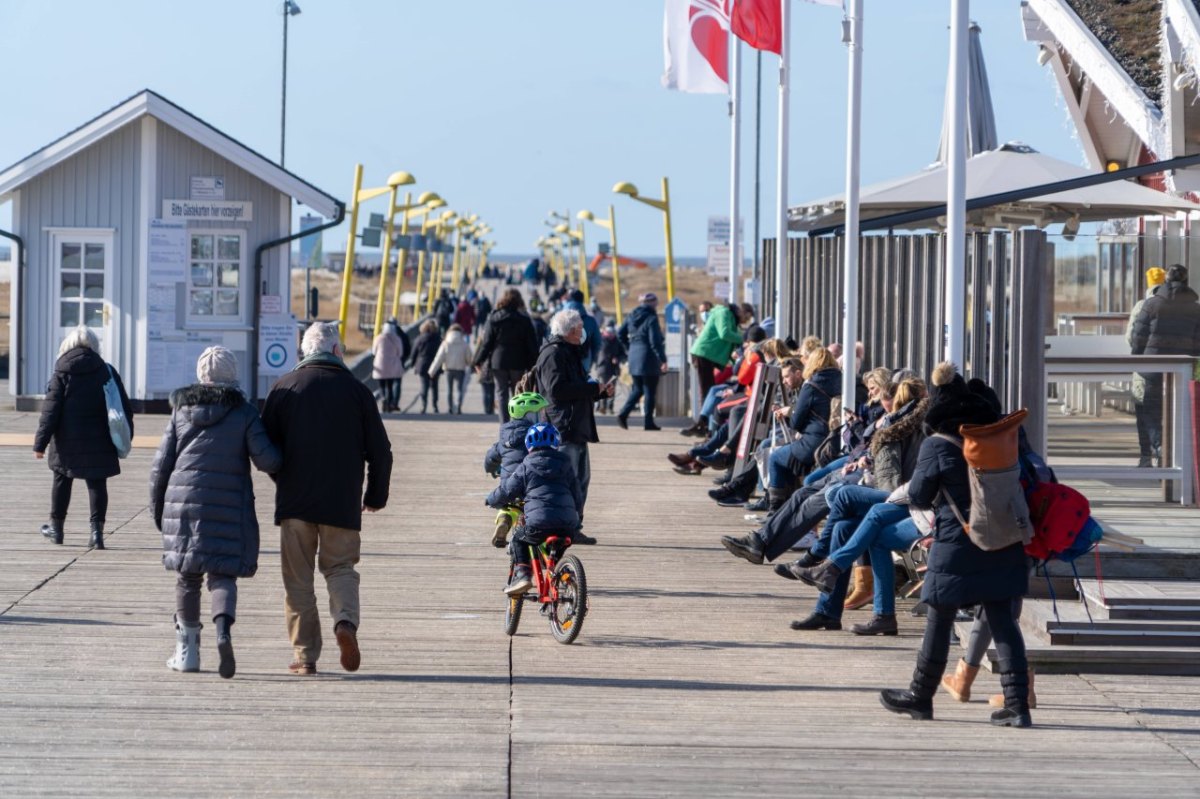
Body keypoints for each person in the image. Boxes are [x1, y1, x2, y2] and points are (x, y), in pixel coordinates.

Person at [879, 363, 1032, 728]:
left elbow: (918, 494)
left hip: (957, 542)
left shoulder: (937, 444)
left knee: (939, 616)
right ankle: (1017, 705)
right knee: (1004, 622)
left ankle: (920, 695)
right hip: (1003, 539)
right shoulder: (1000, 439)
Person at [261, 322, 393, 677]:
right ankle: (345, 623)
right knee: (341, 569)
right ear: (337, 352)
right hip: (341, 503)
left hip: (295, 503)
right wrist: (374, 496)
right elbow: (381, 452)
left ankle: (305, 656)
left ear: (303, 352)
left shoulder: (283, 387)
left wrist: (282, 477)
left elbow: (265, 449)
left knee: (298, 580)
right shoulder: (357, 392)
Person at [149, 347, 282, 679]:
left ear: (200, 376)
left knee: (188, 576)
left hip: (184, 505)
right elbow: (268, 460)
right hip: (228, 504)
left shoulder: (181, 411)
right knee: (222, 575)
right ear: (233, 376)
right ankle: (223, 632)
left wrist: (158, 509)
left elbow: (161, 466)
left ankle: (188, 653)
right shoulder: (245, 413)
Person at [33, 326, 134, 550]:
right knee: (97, 483)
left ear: (67, 345)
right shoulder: (106, 370)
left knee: (61, 479)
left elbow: (50, 411)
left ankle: (56, 530)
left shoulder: (62, 372)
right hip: (101, 437)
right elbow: (124, 406)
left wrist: (40, 444)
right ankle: (96, 534)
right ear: (94, 345)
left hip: (66, 439)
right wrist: (128, 436)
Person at [534, 308, 614, 543]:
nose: (582, 334)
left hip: (576, 426)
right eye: (579, 330)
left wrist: (599, 393)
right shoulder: (553, 355)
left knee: (580, 480)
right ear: (568, 331)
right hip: (562, 426)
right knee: (567, 482)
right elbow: (557, 390)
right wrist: (592, 389)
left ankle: (573, 526)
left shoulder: (569, 352)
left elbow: (576, 387)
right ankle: (564, 528)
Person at [487, 422, 582, 595]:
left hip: (538, 522)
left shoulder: (526, 465)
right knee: (555, 553)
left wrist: (491, 500)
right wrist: (578, 518)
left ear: (529, 444)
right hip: (568, 524)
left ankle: (523, 574)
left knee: (518, 539)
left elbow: (507, 490)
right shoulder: (566, 463)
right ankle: (563, 578)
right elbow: (577, 495)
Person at [1130, 264, 1200, 468]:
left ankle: (1160, 447)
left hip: (1152, 365)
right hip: (1182, 367)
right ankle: (1176, 457)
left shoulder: (1151, 304)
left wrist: (1138, 359)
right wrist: (1192, 361)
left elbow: (1138, 336)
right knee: (1180, 411)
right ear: (1186, 282)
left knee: (1151, 411)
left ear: (1166, 281)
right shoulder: (1195, 308)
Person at [484, 392, 549, 547]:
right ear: (529, 416)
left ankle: (504, 520)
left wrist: (491, 469)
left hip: (510, 486)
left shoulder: (505, 437)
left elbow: (491, 458)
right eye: (539, 413)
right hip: (535, 486)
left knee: (508, 506)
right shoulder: (539, 436)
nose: (543, 416)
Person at [474, 288, 541, 422]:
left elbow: (487, 342)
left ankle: (504, 425)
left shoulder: (494, 318)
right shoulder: (524, 320)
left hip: (498, 362)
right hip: (518, 362)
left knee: (501, 393)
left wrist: (478, 360)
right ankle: (516, 423)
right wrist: (535, 363)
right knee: (517, 393)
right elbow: (532, 345)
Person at [683, 302, 745, 435]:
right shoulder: (724, 313)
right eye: (741, 312)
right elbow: (724, 334)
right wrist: (743, 339)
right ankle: (704, 426)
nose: (743, 315)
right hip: (704, 353)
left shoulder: (726, 315)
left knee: (708, 390)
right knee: (707, 390)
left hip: (706, 354)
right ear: (735, 310)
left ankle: (703, 424)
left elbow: (728, 342)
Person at [617, 292, 668, 431]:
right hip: (648, 358)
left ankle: (623, 413)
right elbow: (655, 341)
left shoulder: (631, 315)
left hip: (634, 356)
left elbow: (620, 333)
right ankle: (648, 422)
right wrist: (663, 359)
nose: (656, 306)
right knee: (650, 391)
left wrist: (629, 348)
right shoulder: (651, 318)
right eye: (656, 303)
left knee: (638, 388)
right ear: (651, 303)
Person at [430, 323, 472, 414]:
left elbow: (439, 358)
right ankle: (458, 407)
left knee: (449, 389)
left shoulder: (445, 343)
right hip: (460, 369)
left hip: (449, 369)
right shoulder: (464, 344)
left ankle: (450, 408)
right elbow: (469, 358)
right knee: (459, 389)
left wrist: (432, 371)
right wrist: (470, 365)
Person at [371, 319, 408, 413]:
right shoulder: (397, 338)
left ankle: (383, 398)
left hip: (380, 365)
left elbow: (373, 351)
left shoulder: (378, 338)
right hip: (392, 365)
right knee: (390, 386)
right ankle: (389, 402)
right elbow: (400, 353)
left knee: (381, 385)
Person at [563, 289, 602, 373]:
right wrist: (591, 361)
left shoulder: (558, 319)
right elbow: (597, 343)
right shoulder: (591, 321)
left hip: (562, 364)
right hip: (584, 364)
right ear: (582, 301)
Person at [411, 318, 442, 414]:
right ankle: (435, 406)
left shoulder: (420, 339)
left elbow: (414, 352)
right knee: (435, 386)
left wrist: (413, 363)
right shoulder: (438, 339)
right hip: (435, 365)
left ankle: (423, 405)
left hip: (422, 364)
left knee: (424, 386)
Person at [596, 321, 625, 415]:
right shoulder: (601, 339)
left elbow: (623, 354)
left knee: (612, 388)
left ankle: (609, 407)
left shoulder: (617, 341)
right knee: (603, 387)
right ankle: (602, 406)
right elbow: (600, 352)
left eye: (612, 332)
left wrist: (617, 358)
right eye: (608, 331)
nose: (610, 333)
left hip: (613, 369)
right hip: (603, 367)